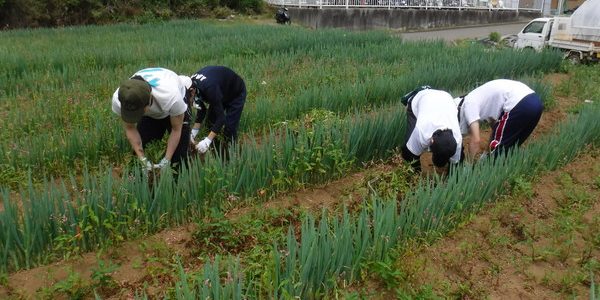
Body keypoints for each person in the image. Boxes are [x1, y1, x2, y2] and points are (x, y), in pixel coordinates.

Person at [111, 67, 192, 171]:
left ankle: (177, 181)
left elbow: (176, 130)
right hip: (152, 101)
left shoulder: (172, 98)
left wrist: (167, 159)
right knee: (142, 146)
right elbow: (130, 128)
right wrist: (142, 159)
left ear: (149, 102)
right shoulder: (121, 99)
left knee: (179, 156)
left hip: (172, 98)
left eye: (138, 112)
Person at [455, 79, 543, 160]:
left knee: (496, 154)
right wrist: (487, 152)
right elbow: (496, 128)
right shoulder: (479, 98)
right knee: (508, 148)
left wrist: (468, 165)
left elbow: (476, 140)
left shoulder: (468, 105)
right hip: (535, 102)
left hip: (519, 103)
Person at [400, 86, 463, 172]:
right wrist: (416, 176)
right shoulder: (422, 131)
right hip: (420, 98)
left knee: (459, 158)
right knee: (408, 152)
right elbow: (409, 154)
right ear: (431, 140)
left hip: (445, 98)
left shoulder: (458, 140)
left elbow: (456, 164)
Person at [189, 66, 246, 155]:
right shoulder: (192, 85)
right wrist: (193, 133)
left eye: (188, 98)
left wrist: (207, 141)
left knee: (229, 128)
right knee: (210, 123)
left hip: (235, 93)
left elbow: (221, 118)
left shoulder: (209, 88)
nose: (188, 101)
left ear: (192, 91)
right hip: (221, 92)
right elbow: (201, 110)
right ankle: (215, 150)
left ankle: (231, 154)